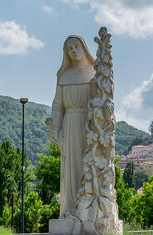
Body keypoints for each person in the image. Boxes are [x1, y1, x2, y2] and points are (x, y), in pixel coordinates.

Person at [46, 35, 95, 218]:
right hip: (70, 124)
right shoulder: (64, 76)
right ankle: (71, 209)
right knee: (71, 167)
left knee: (88, 165)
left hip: (90, 126)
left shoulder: (95, 72)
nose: (73, 51)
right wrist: (55, 125)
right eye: (69, 49)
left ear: (84, 48)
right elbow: (58, 105)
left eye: (76, 47)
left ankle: (90, 210)